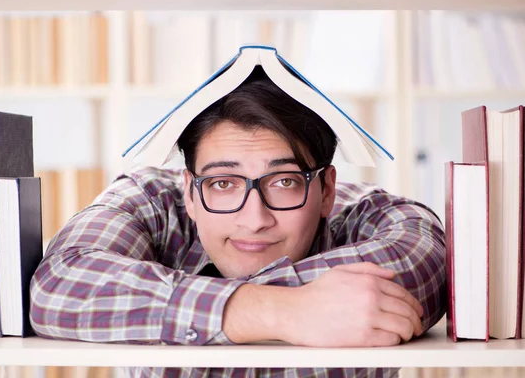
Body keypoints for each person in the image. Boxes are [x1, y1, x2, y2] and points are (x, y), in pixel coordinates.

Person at [30, 67, 446, 378]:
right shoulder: (151, 201)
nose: (254, 219)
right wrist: (281, 312)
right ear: (189, 190)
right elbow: (58, 284)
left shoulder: (373, 216)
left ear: (328, 190)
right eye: (223, 183)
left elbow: (426, 263)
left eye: (284, 181)